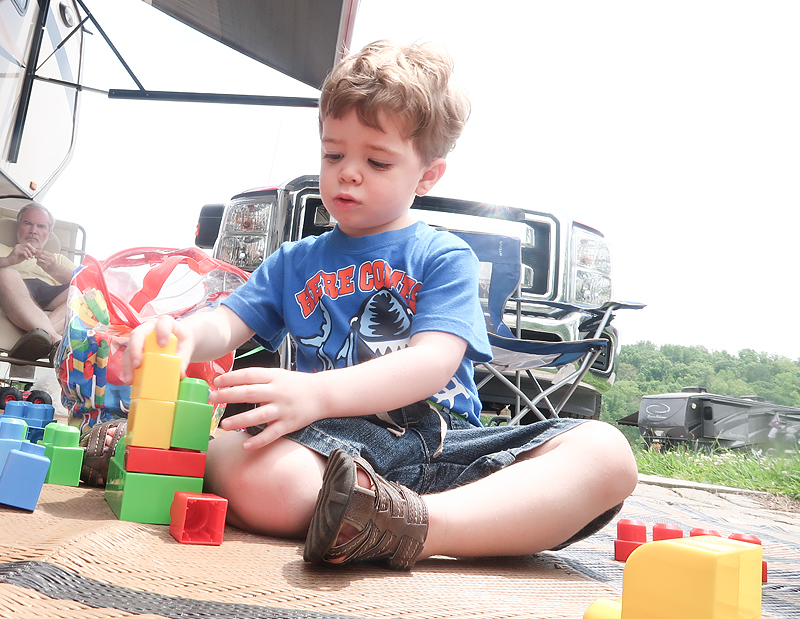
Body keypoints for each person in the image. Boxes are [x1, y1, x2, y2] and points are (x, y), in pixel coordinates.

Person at [123, 40, 638, 570]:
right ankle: (396, 518)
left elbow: (432, 363)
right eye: (333, 154)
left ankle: (419, 526)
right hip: (328, 447)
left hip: (440, 442)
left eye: (377, 160)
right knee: (255, 469)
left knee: (606, 456)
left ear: (427, 175)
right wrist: (183, 335)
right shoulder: (292, 261)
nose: (348, 172)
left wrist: (319, 391)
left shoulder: (441, 255)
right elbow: (226, 322)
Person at [0, 201, 76, 360]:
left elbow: (86, 281)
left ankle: (39, 337)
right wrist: (8, 260)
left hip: (51, 294)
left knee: (86, 291)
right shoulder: (3, 249)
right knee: (7, 275)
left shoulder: (58, 259)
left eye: (41, 226)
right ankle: (55, 340)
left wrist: (55, 269)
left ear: (49, 235)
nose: (33, 231)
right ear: (18, 227)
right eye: (27, 223)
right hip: (15, 289)